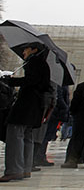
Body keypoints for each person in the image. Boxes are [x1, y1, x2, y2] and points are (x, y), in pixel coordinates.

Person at [0, 43, 50, 182]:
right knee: (27, 137)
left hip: (26, 105)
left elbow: (30, 81)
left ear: (34, 50)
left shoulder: (34, 62)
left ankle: (14, 170)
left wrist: (10, 81)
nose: (23, 52)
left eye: (26, 49)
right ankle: (25, 168)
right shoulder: (43, 64)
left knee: (15, 135)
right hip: (35, 106)